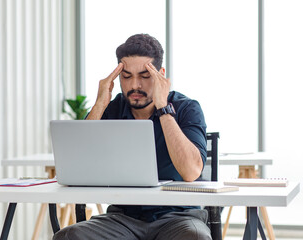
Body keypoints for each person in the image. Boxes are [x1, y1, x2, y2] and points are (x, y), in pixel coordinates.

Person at [53, 34, 211, 240]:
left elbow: (191, 172)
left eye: (145, 76)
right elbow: (77, 165)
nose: (135, 85)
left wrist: (163, 109)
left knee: (195, 237)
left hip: (178, 217)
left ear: (160, 76)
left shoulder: (186, 108)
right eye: (126, 76)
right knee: (69, 236)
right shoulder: (112, 109)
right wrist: (100, 103)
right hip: (123, 219)